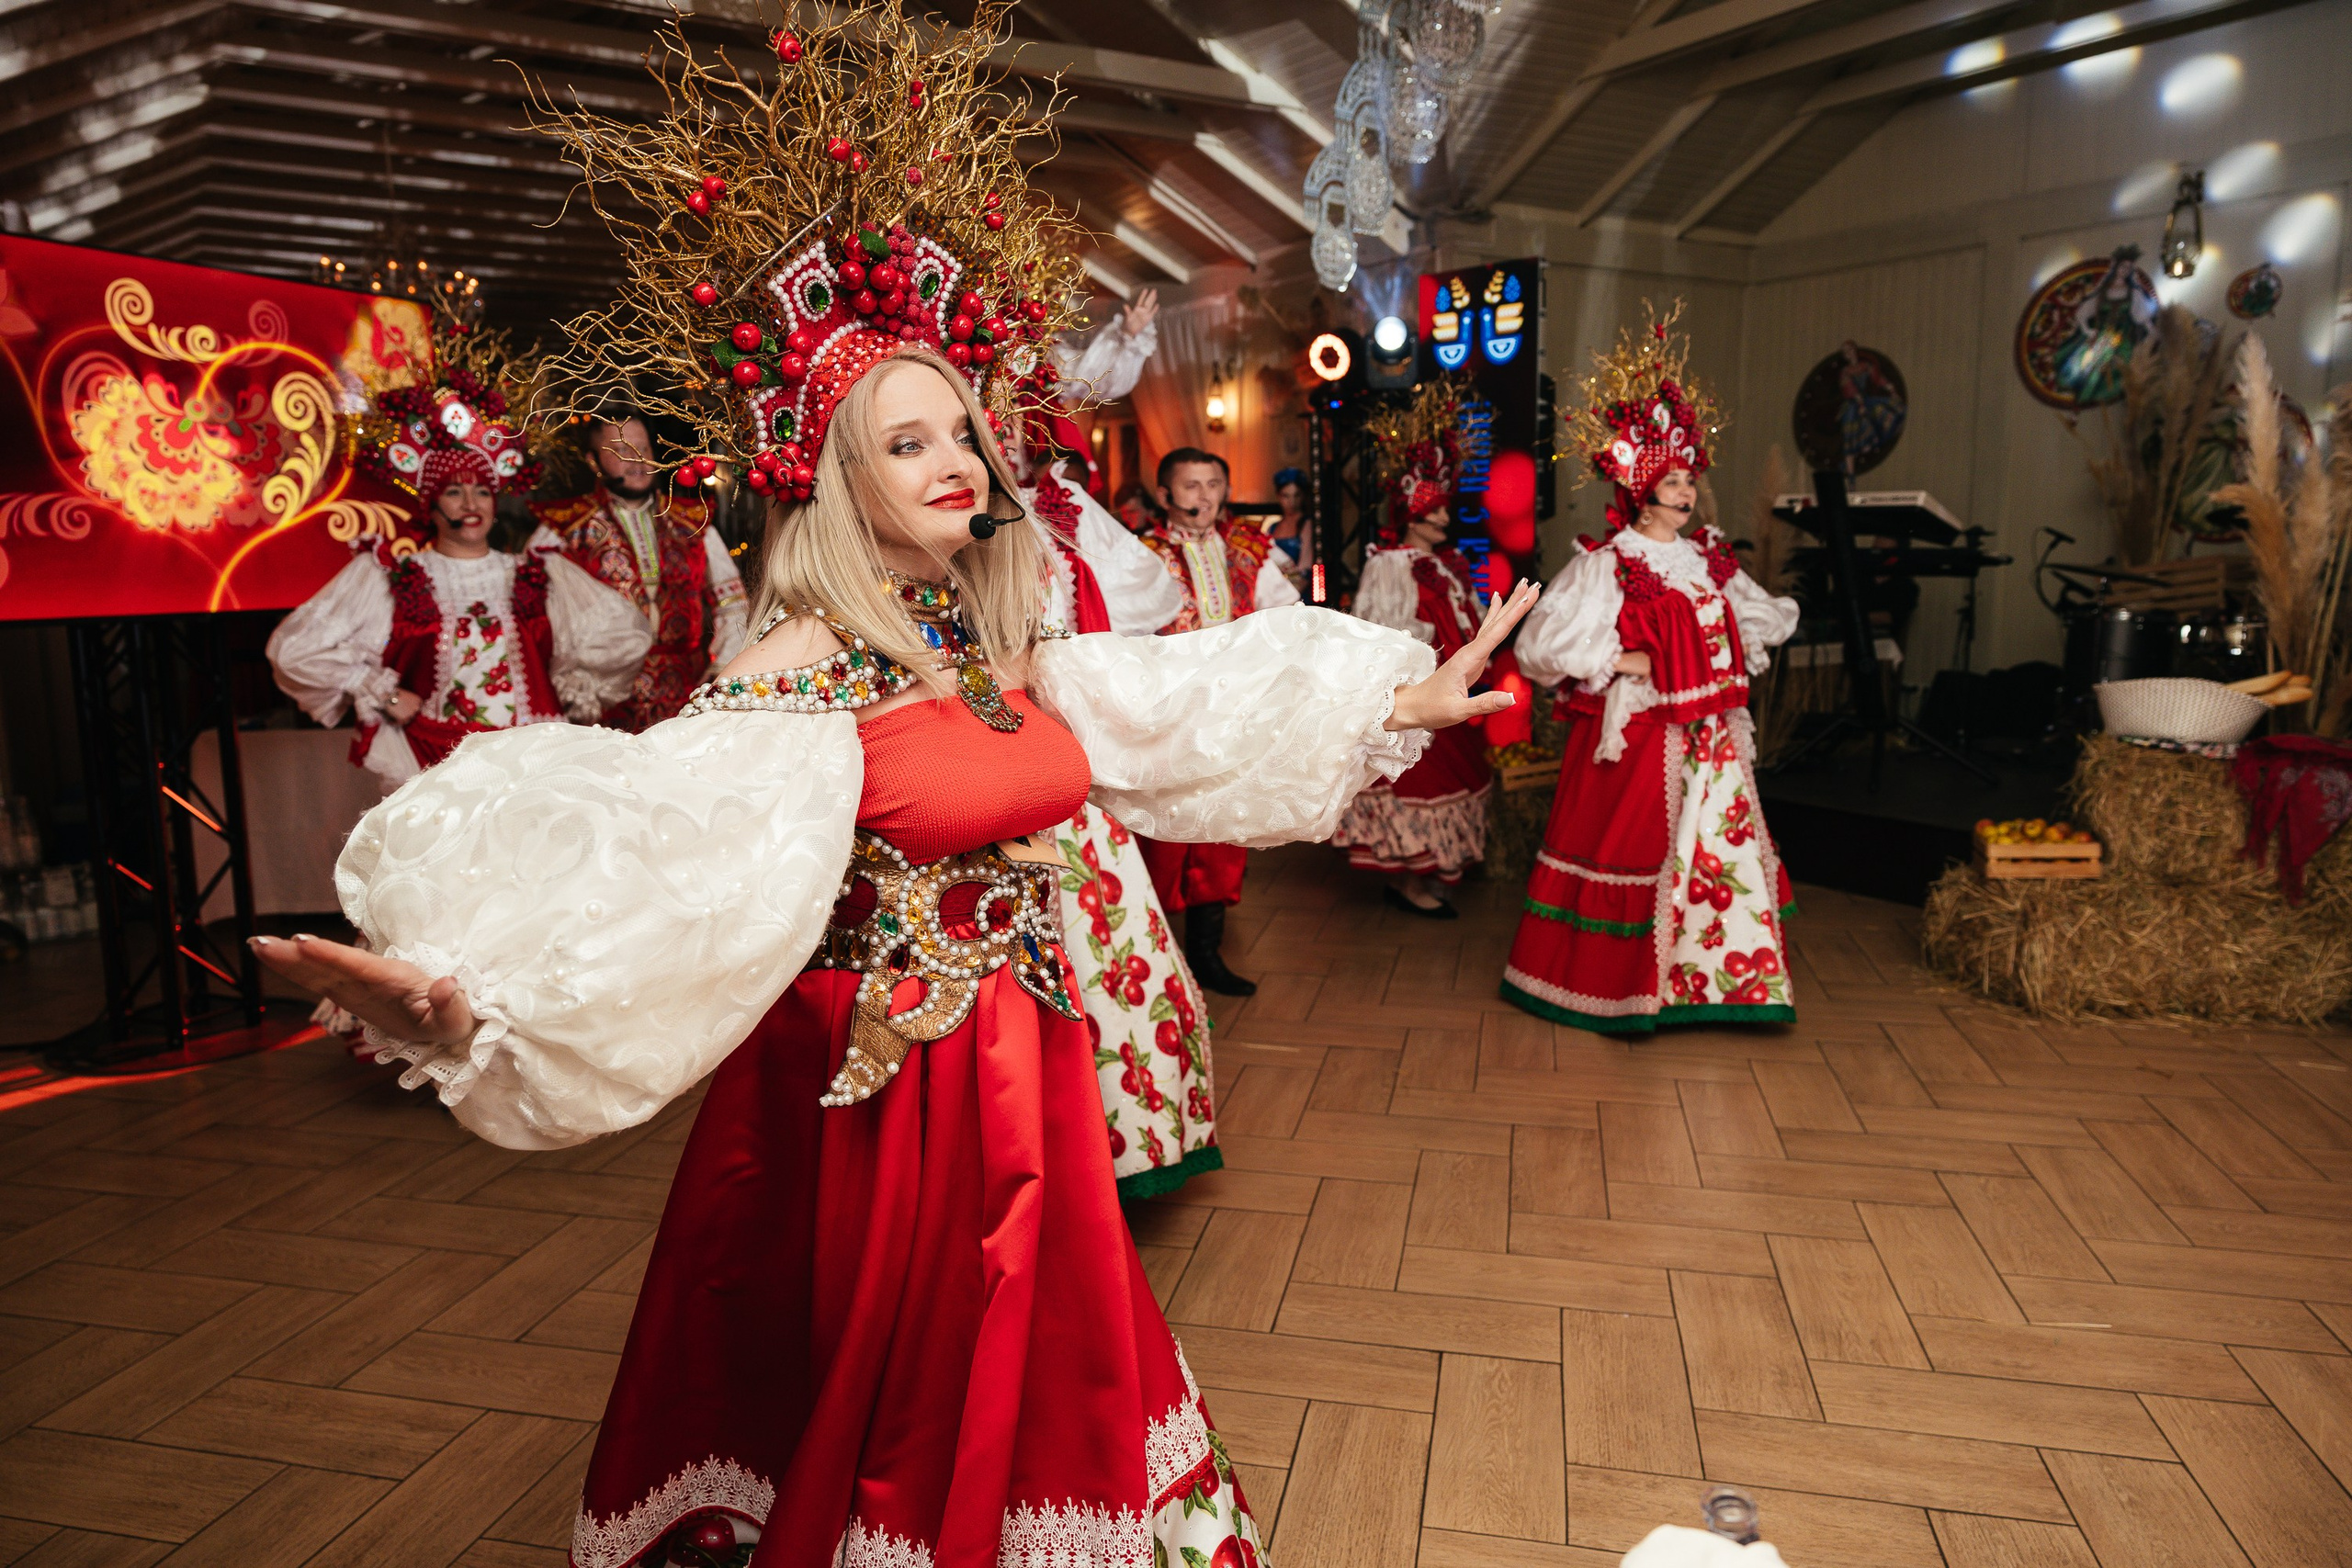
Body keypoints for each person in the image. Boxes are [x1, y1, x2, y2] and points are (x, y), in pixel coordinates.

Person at [251, 11, 1537, 1565]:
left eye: (961, 431)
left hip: (1026, 1052)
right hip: (884, 1089)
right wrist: (472, 989)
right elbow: (666, 835)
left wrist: (1394, 693)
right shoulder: (804, 663)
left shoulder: (992, 631)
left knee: (1040, 1348)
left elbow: (1165, 703)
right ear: (833, 474)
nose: (955, 459)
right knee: (912, 1379)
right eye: (904, 439)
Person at [1501, 306, 1800, 1034]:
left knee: (1712, 857)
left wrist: (1721, 648)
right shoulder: (1607, 564)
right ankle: (1618, 989)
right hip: (1640, 738)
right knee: (1637, 850)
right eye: (1671, 481)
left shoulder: (1705, 559)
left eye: (1690, 480)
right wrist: (1620, 658)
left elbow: (1762, 619)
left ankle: (1710, 984)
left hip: (1710, 738)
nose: (1686, 493)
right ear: (1640, 489)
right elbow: (1540, 645)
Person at [266, 341, 650, 785]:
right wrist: (380, 692)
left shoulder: (539, 571)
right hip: (437, 760)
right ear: (430, 506)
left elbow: (625, 635)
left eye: (482, 491)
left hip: (533, 759)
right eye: (454, 491)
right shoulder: (391, 575)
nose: (471, 504)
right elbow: (296, 651)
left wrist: (571, 685)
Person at [1021, 407, 1219, 1197]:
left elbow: (1145, 597)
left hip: (1062, 764)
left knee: (1102, 943)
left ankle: (1110, 1143)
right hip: (973, 776)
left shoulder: (1060, 517)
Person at [1136, 446, 1303, 996]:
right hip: (1167, 717)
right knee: (1163, 832)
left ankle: (1207, 953)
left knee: (1222, 830)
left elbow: (1287, 612)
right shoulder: (1141, 556)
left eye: (1213, 484)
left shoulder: (1249, 549)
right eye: (1191, 485)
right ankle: (1155, 961)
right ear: (1165, 494)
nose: (1204, 496)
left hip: (1234, 713)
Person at [1333, 441, 1492, 916]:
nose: (1444, 519)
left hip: (1455, 686)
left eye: (1445, 510)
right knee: (1417, 778)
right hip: (1421, 688)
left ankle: (1432, 871)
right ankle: (1408, 880)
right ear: (1409, 516)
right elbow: (1382, 628)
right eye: (1434, 511)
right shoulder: (1389, 563)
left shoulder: (1446, 561)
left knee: (1452, 775)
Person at [528, 404, 750, 732]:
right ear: (593, 462)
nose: (637, 460)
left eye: (643, 449)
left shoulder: (692, 521)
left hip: (686, 702)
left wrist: (721, 673)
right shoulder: (565, 527)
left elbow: (733, 604)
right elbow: (533, 617)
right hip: (601, 707)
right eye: (621, 452)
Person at [1053, 288, 1159, 408]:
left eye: (1103, 314)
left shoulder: (1102, 368)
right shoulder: (1059, 321)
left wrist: (1129, 334)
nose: (1097, 320)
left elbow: (1093, 381)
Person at [1267, 465, 1309, 589]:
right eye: (1286, 496)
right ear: (1278, 496)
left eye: (1296, 495)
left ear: (1303, 496)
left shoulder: (1307, 524)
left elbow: (1306, 570)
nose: (1292, 502)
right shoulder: (1273, 527)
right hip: (1274, 589)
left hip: (1298, 590)